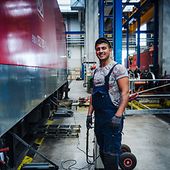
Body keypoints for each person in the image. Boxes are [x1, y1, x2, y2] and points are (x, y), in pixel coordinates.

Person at [86, 37, 129, 170]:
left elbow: (125, 93)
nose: (101, 51)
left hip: (112, 118)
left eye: (104, 48)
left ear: (110, 50)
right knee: (103, 152)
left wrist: (118, 115)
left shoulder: (118, 69)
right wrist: (89, 114)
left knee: (111, 154)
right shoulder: (96, 72)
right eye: (98, 49)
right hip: (99, 118)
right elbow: (94, 95)